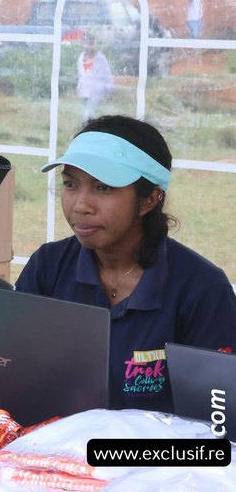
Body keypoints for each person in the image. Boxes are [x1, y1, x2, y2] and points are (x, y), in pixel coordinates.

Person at [14, 115, 236, 413]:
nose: (80, 205)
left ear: (149, 199)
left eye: (104, 188)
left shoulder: (203, 290)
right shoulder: (48, 267)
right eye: (70, 184)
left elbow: (219, 421)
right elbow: (11, 374)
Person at [77, 33, 113, 122]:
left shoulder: (100, 58)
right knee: (85, 114)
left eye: (89, 44)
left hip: (95, 91)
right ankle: (87, 127)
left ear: (93, 43)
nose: (86, 47)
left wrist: (109, 92)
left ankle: (89, 128)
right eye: (84, 43)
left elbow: (107, 75)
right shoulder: (81, 57)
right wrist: (79, 89)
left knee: (90, 114)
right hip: (84, 91)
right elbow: (80, 75)